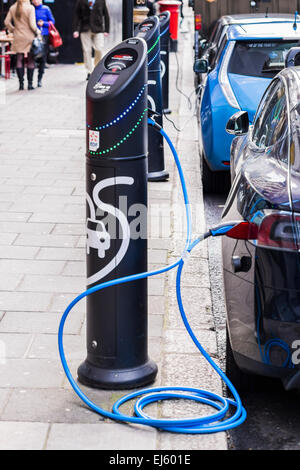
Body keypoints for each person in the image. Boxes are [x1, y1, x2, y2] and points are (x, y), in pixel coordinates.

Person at [4, 0, 41, 90]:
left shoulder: (13, 7)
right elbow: (32, 25)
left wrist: (13, 30)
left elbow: (6, 22)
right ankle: (30, 84)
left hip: (18, 36)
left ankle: (21, 84)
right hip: (29, 36)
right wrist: (38, 32)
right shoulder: (30, 8)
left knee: (19, 59)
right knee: (30, 59)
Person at [73, 0, 110, 80]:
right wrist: (76, 29)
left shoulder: (101, 1)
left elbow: (106, 15)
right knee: (86, 50)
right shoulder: (81, 1)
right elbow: (77, 15)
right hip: (85, 29)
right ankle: (89, 72)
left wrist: (107, 29)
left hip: (98, 29)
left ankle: (97, 69)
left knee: (99, 48)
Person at [32, 0, 55, 88]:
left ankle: (39, 79)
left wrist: (44, 23)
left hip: (44, 36)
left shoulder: (46, 9)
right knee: (32, 58)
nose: (36, 1)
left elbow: (52, 21)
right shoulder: (30, 9)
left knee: (42, 57)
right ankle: (30, 81)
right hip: (33, 36)